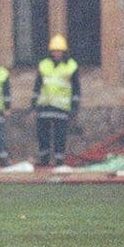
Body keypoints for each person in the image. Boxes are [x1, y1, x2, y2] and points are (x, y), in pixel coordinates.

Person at [31, 34, 80, 166]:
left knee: (60, 136)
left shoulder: (71, 66)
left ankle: (59, 160)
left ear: (64, 52)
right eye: (54, 51)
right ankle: (44, 159)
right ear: (50, 52)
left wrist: (75, 106)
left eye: (59, 51)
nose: (57, 53)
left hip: (62, 107)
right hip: (45, 106)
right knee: (43, 135)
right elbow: (38, 84)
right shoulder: (44, 65)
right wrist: (33, 103)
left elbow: (76, 88)